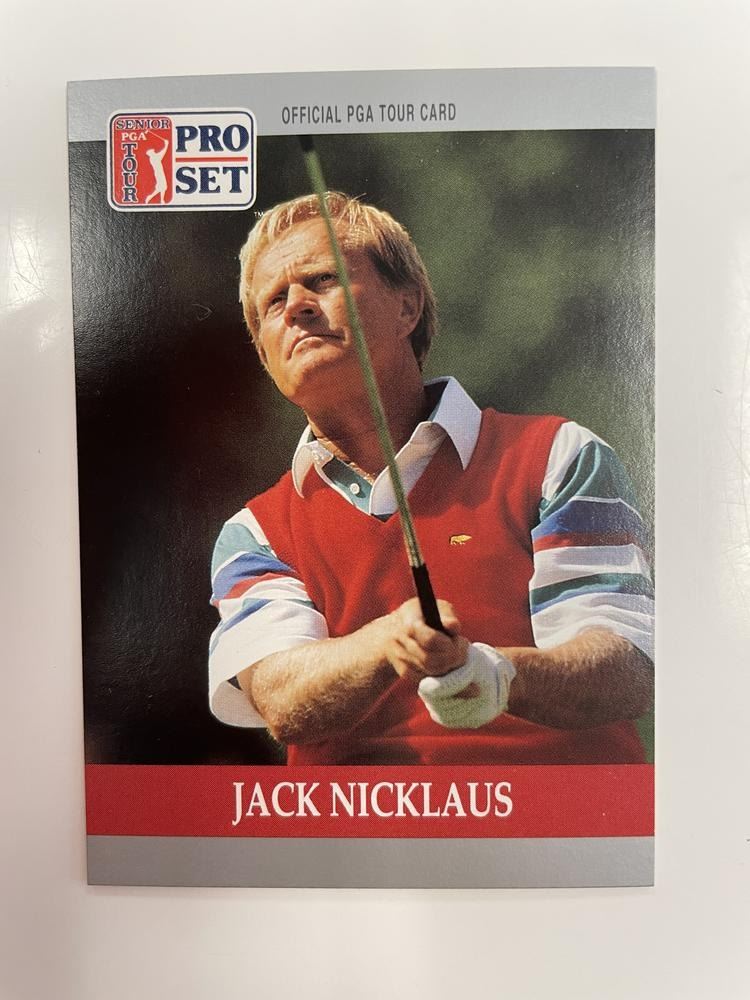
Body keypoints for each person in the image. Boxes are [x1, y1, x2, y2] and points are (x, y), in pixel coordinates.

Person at [208, 191, 654, 766]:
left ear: (407, 307)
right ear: (266, 357)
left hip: (557, 817)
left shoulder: (557, 455)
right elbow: (280, 698)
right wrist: (388, 640)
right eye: (273, 302)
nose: (296, 305)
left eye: (323, 279)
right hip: (364, 826)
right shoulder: (255, 532)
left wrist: (495, 674)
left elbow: (626, 667)